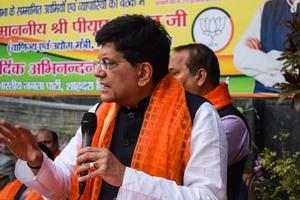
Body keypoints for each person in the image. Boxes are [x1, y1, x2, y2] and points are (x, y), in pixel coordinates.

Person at [0, 14, 228, 200]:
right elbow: (63, 188)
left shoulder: (198, 115)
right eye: (99, 62)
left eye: (108, 63)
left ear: (143, 72)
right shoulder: (98, 113)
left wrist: (124, 177)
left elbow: (209, 197)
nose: (97, 72)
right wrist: (36, 162)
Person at [169, 43, 250, 200]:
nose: (168, 83)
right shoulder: (182, 114)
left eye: (174, 74)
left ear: (200, 77)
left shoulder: (230, 123)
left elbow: (187, 162)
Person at [234, 0, 300, 93]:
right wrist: (284, 67)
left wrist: (264, 69)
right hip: (264, 98)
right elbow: (240, 58)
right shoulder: (267, 7)